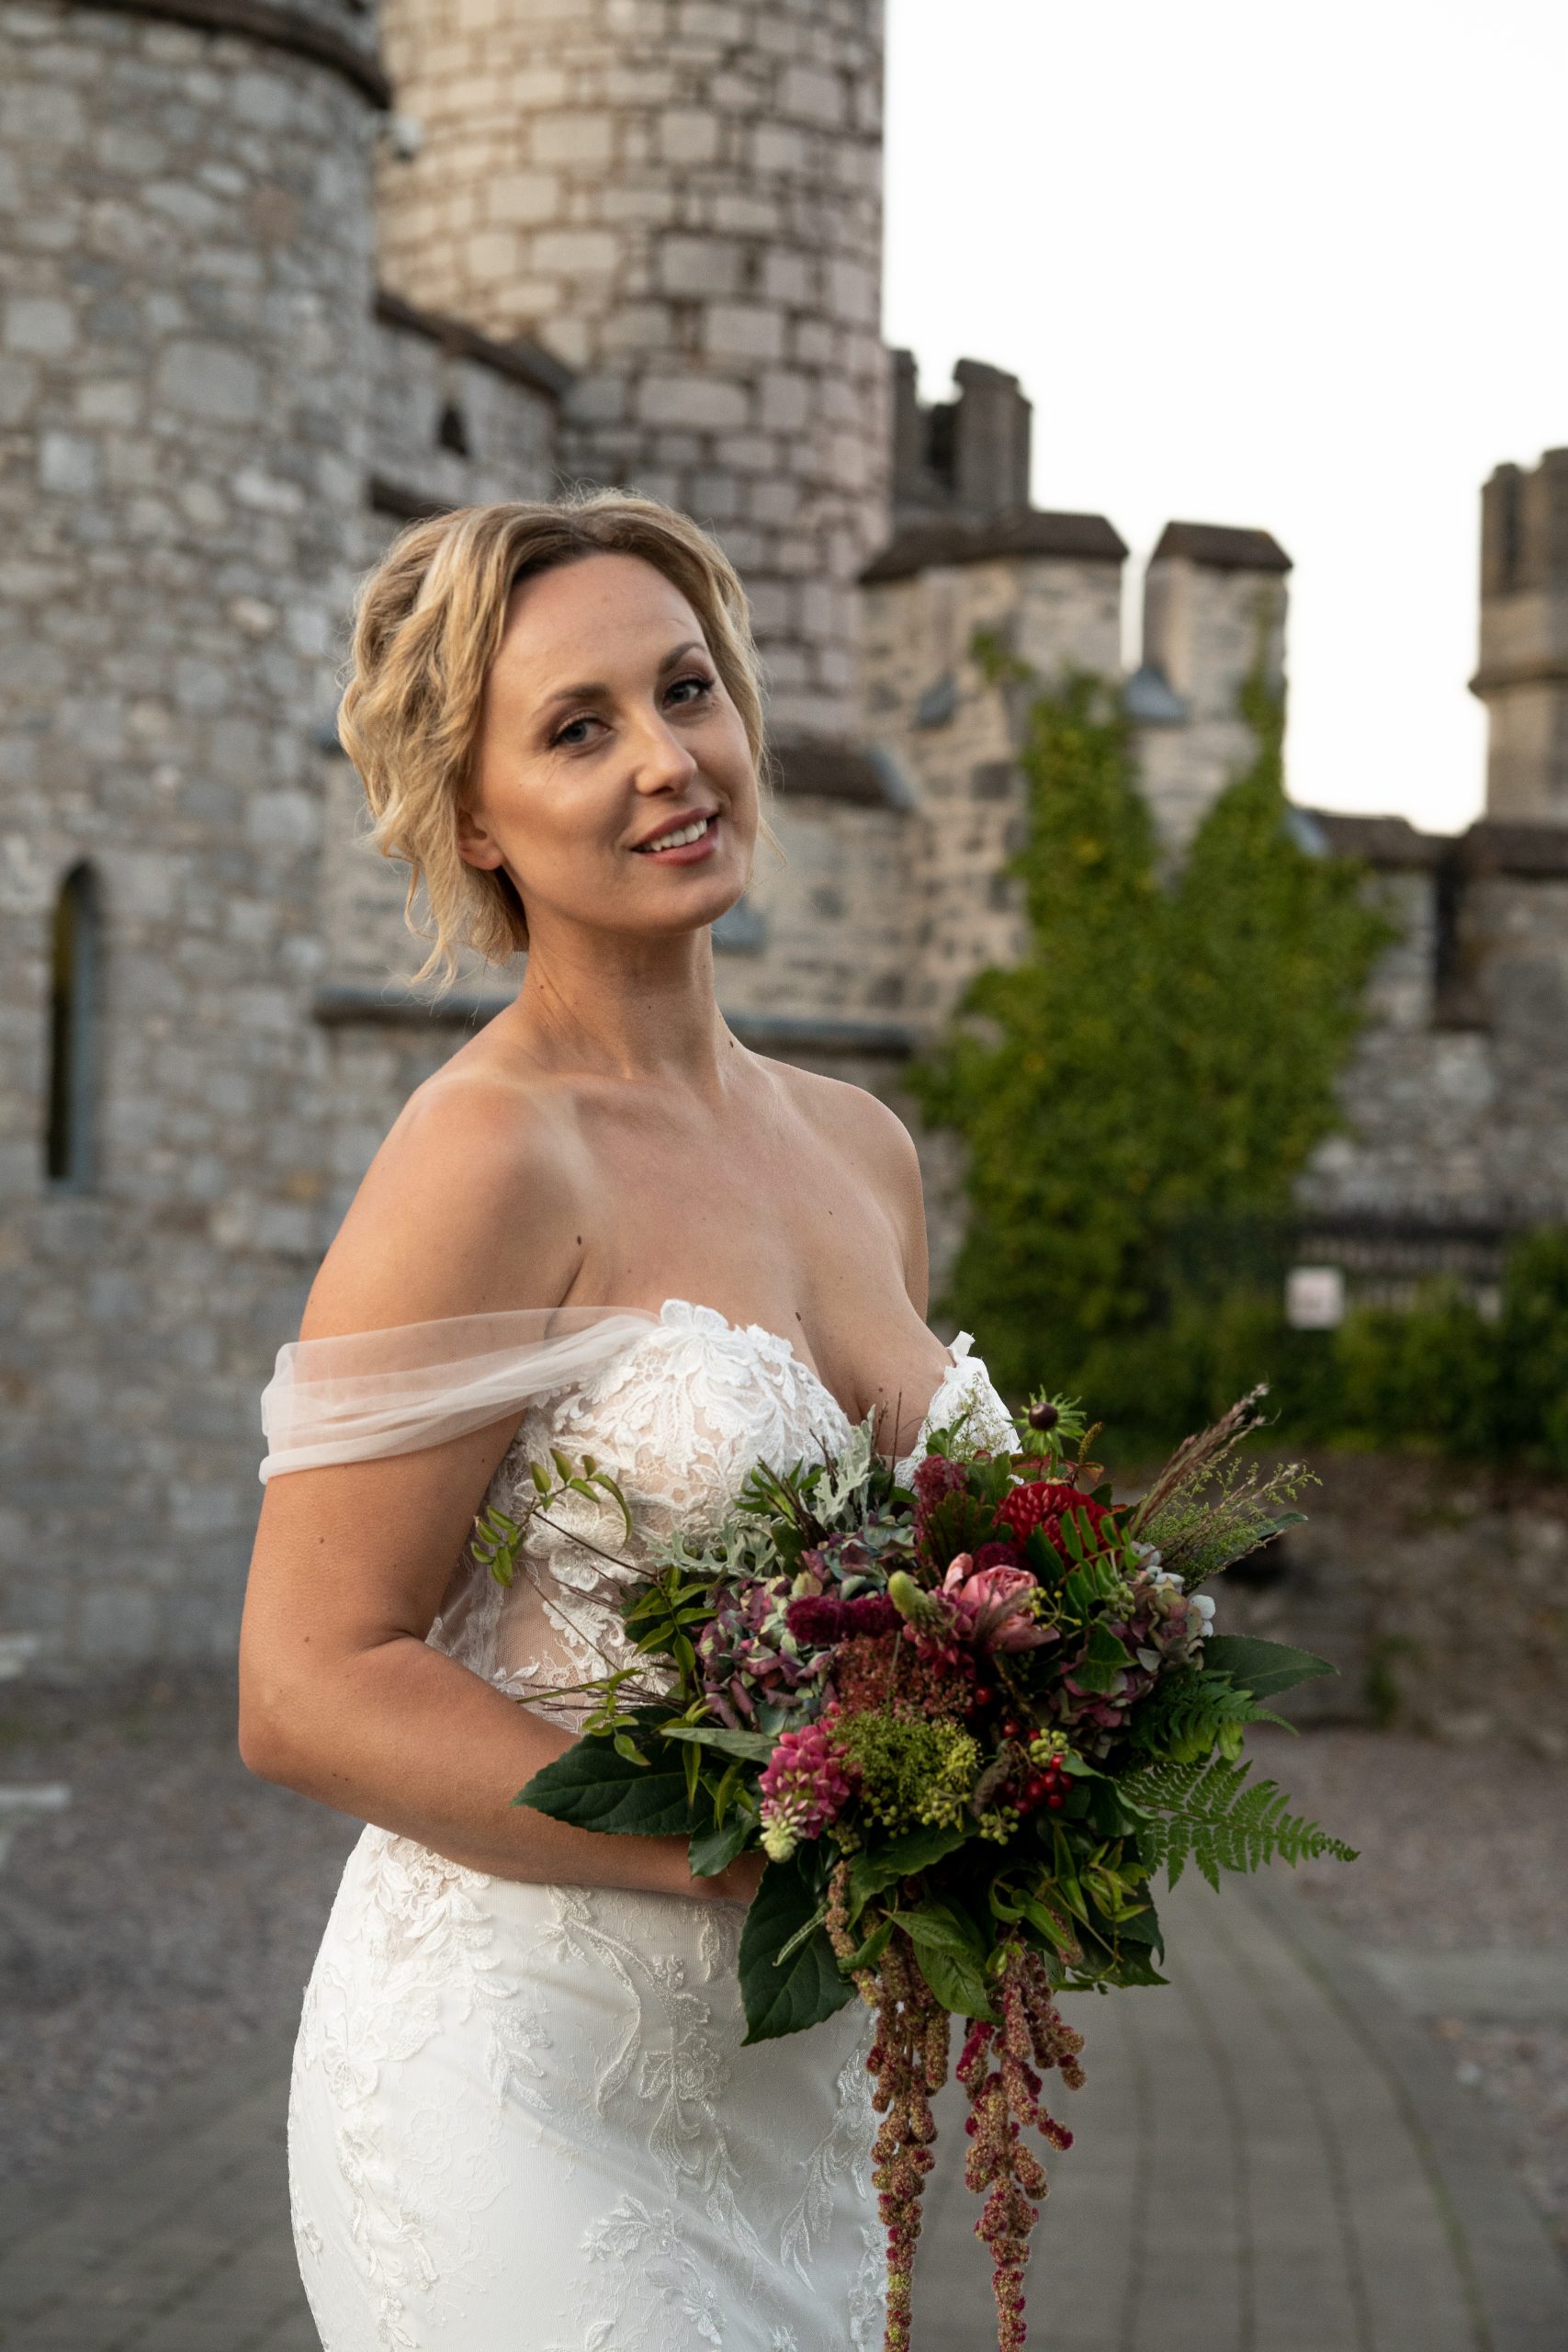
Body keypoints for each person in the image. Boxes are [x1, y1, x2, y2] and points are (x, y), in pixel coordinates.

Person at [238, 492, 1017, 2352]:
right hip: (516, 2081)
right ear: (476, 812)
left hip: (795, 2101)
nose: (667, 759)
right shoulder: (488, 1150)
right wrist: (767, 1842)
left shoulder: (861, 1148)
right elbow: (307, 1676)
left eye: (686, 688)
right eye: (578, 727)